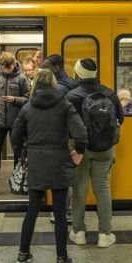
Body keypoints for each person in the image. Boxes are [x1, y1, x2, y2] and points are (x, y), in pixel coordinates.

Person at [11, 69, 87, 263]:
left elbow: (15, 137)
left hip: (36, 161)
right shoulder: (64, 105)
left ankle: (22, 254)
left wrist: (23, 157)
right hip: (60, 161)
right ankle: (61, 259)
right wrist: (79, 151)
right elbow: (80, 132)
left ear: (35, 83)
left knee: (32, 211)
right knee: (60, 213)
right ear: (53, 84)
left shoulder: (27, 107)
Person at [67, 59, 124, 248]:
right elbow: (120, 119)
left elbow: (66, 125)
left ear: (77, 73)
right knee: (103, 189)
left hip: (79, 150)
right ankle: (105, 235)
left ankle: (78, 232)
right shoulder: (109, 93)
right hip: (105, 149)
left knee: (79, 190)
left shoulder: (72, 95)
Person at [0, 52, 30, 194]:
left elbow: (28, 99)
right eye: (3, 67)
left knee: (18, 150)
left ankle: (18, 178)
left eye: (7, 68)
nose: (5, 70)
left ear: (13, 65)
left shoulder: (22, 78)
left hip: (17, 121)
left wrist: (15, 99)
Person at [43, 54, 78, 223]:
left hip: (62, 136)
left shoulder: (58, 88)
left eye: (47, 66)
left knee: (61, 175)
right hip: (74, 134)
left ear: (55, 67)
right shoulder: (73, 83)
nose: (44, 70)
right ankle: (71, 212)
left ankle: (65, 211)